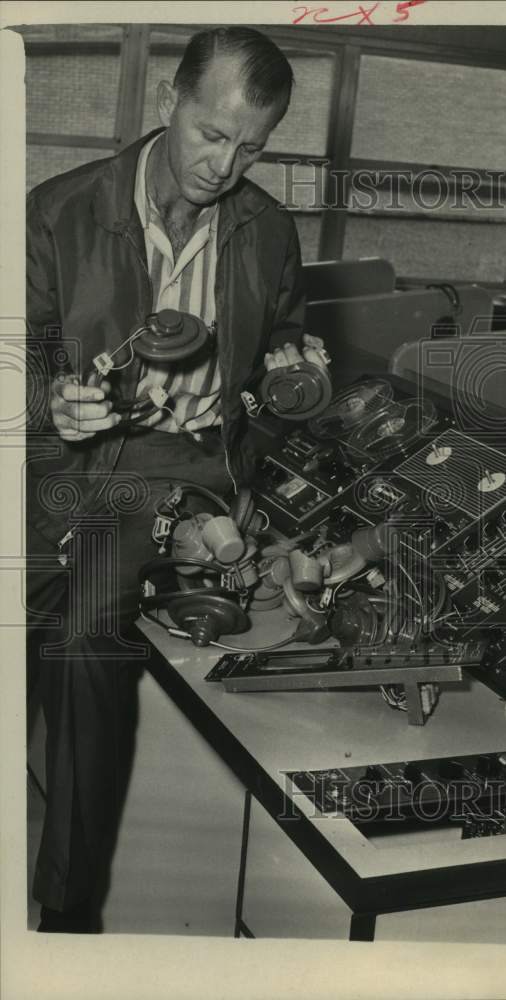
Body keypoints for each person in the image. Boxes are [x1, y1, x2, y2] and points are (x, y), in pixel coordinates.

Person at [26, 26, 325, 932]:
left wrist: (287, 382)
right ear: (170, 101)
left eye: (251, 148)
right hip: (81, 466)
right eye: (212, 134)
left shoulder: (269, 231)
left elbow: (280, 355)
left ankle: (68, 916)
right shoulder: (57, 213)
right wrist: (51, 401)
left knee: (84, 639)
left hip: (197, 470)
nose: (224, 166)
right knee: (60, 629)